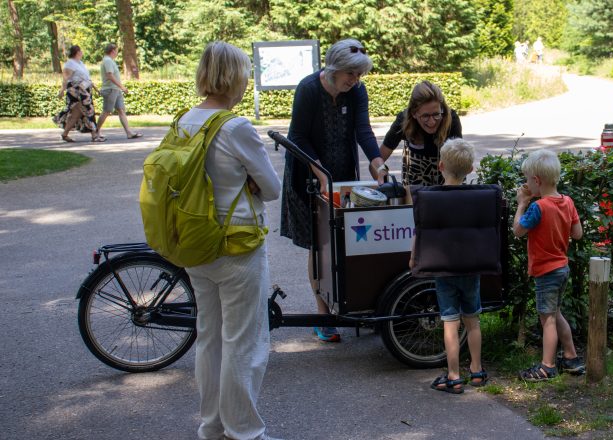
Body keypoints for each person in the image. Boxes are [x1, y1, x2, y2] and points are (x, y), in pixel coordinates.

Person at [180, 41, 282, 440]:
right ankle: (245, 433)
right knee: (245, 342)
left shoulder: (184, 121)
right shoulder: (234, 127)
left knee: (210, 338)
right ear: (235, 77)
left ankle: (212, 426)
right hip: (237, 245)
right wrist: (251, 183)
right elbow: (271, 188)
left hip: (195, 243)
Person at [281, 38, 388, 342]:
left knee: (346, 241)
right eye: (351, 74)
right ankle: (324, 314)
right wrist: (319, 172)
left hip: (341, 173)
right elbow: (297, 137)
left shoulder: (356, 92)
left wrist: (378, 164)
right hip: (307, 176)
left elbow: (363, 130)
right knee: (320, 245)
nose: (355, 81)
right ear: (334, 69)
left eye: (359, 75)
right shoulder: (308, 89)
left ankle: (353, 306)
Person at [410, 138, 487, 394]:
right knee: (473, 322)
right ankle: (476, 370)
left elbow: (421, 233)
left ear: (440, 165)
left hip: (444, 269)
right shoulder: (478, 198)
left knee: (450, 323)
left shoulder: (431, 199)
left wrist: (414, 258)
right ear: (471, 169)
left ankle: (453, 375)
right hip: (471, 268)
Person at [513, 149, 585, 382]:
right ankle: (571, 357)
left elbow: (518, 231)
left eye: (527, 179)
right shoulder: (567, 201)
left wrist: (521, 204)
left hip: (545, 271)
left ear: (536, 181)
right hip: (562, 268)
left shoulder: (538, 207)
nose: (526, 184)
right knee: (556, 313)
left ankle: (547, 365)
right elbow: (578, 234)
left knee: (548, 319)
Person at [378, 80, 462, 186]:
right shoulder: (403, 121)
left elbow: (459, 163)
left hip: (449, 179)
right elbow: (378, 159)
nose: (432, 122)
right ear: (414, 113)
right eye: (425, 116)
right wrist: (381, 178)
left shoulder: (451, 119)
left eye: (436, 114)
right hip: (415, 183)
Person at [53, 45, 105, 143]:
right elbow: (66, 79)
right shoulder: (70, 64)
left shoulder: (80, 63)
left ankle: (65, 134)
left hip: (85, 91)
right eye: (81, 51)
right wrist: (61, 91)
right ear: (77, 52)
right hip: (76, 92)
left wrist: (95, 89)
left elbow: (86, 78)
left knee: (76, 114)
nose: (82, 52)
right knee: (89, 110)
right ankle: (94, 135)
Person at [95, 43, 142, 140]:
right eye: (116, 50)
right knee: (107, 111)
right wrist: (122, 87)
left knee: (121, 110)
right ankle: (95, 132)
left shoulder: (110, 61)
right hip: (110, 89)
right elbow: (109, 75)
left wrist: (120, 88)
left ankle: (129, 132)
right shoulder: (107, 60)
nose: (117, 53)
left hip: (116, 89)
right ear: (112, 51)